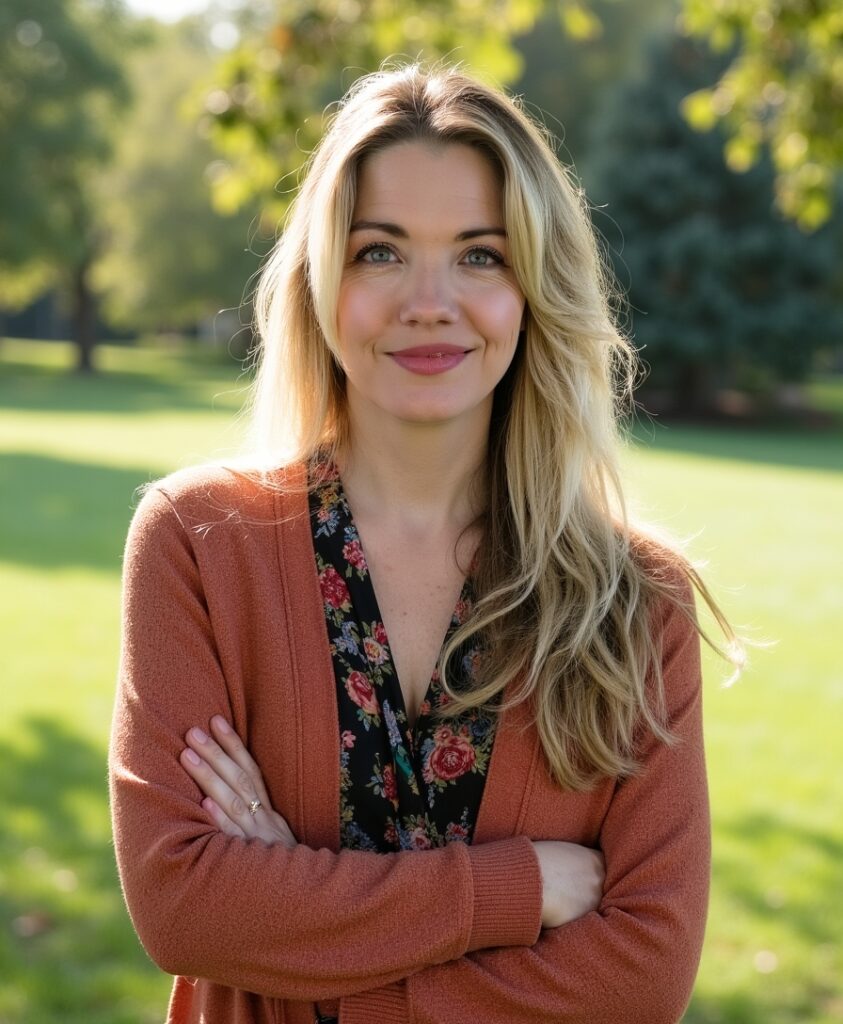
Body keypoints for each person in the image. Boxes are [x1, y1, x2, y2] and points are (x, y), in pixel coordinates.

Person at [109, 63, 740, 1024]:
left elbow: (643, 973)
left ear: (534, 287)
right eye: (379, 251)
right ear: (322, 276)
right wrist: (516, 891)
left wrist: (296, 926)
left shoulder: (634, 599)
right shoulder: (197, 544)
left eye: (480, 255)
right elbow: (184, 907)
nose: (429, 301)